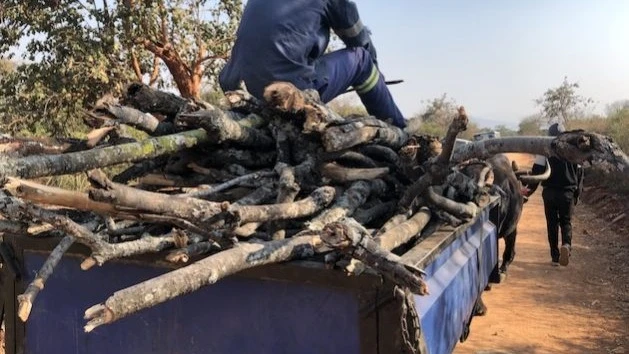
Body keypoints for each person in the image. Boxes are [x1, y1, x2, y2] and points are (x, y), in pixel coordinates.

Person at [219, 0, 407, 128]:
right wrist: (376, 71)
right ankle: (398, 128)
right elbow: (357, 38)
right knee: (362, 59)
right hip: (288, 90)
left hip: (237, 86)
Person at [532, 123, 584, 266]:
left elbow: (537, 172)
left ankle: (555, 256)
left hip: (549, 192)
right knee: (566, 222)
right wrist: (576, 194)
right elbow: (580, 173)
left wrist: (528, 191)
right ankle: (566, 245)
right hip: (567, 191)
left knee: (552, 223)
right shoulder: (574, 149)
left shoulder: (544, 148)